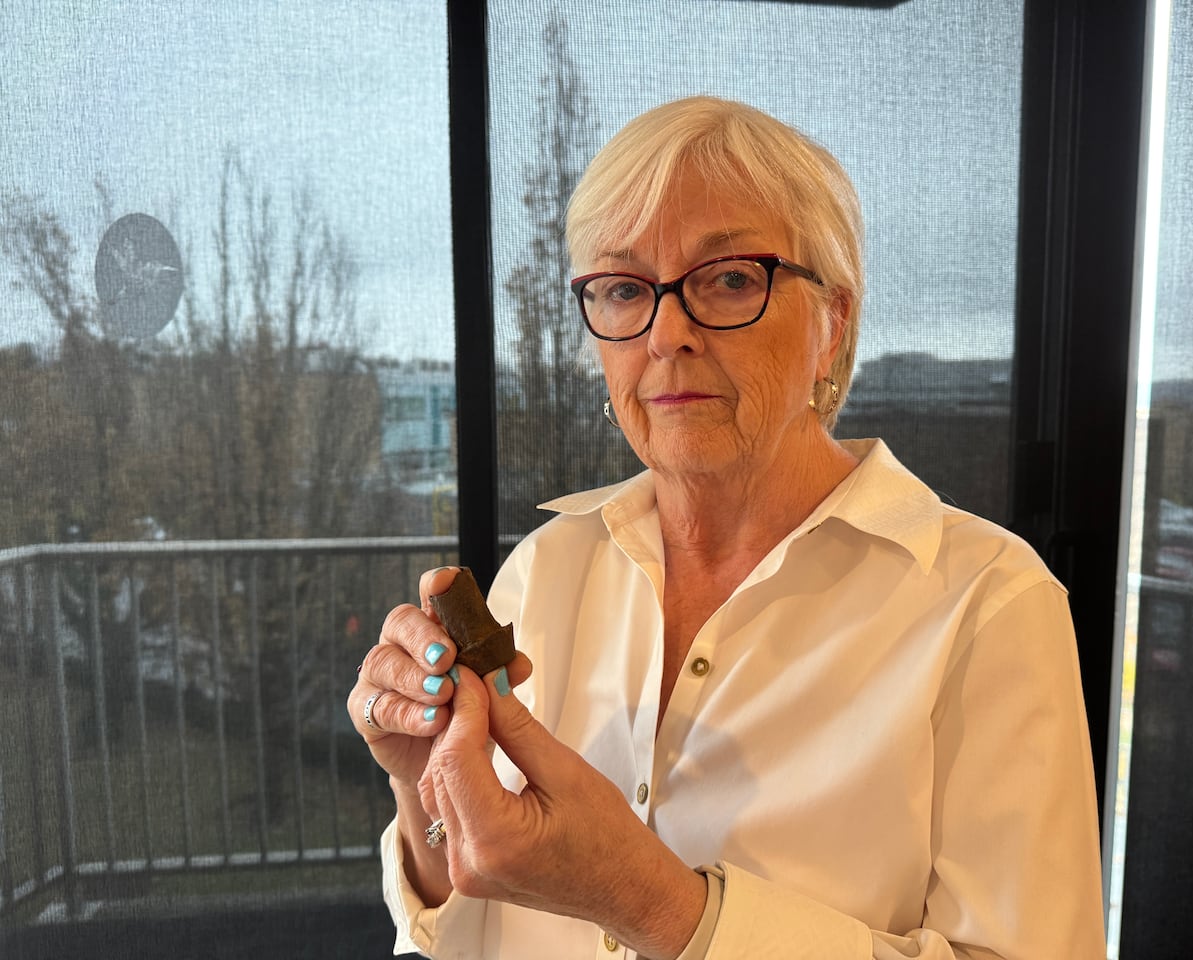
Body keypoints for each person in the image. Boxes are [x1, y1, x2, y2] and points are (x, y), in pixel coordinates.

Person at [348, 95, 1105, 959]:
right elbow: (466, 925)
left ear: (833, 323)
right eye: (626, 289)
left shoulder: (987, 602)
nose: (666, 332)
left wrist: (652, 902)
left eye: (731, 279)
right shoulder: (546, 570)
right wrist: (424, 800)